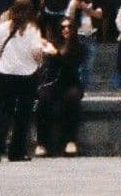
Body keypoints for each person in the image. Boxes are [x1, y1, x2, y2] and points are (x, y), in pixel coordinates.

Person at [0, 0, 50, 163]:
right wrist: (41, 61)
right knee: (23, 113)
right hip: (27, 75)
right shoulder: (33, 29)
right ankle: (17, 150)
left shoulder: (3, 28)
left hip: (5, 73)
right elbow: (37, 53)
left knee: (1, 109)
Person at [35, 16, 87, 157]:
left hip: (71, 82)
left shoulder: (79, 47)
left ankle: (71, 141)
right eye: (63, 27)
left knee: (72, 98)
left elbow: (71, 67)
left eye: (69, 27)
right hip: (54, 83)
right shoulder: (54, 44)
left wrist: (56, 55)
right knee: (43, 99)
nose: (66, 30)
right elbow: (50, 69)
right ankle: (41, 142)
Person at [68, 0, 100, 88]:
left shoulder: (96, 3)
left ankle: (85, 85)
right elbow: (68, 18)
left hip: (91, 36)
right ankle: (77, 85)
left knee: (88, 64)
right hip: (78, 36)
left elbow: (98, 15)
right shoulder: (74, 3)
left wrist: (85, 8)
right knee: (78, 64)